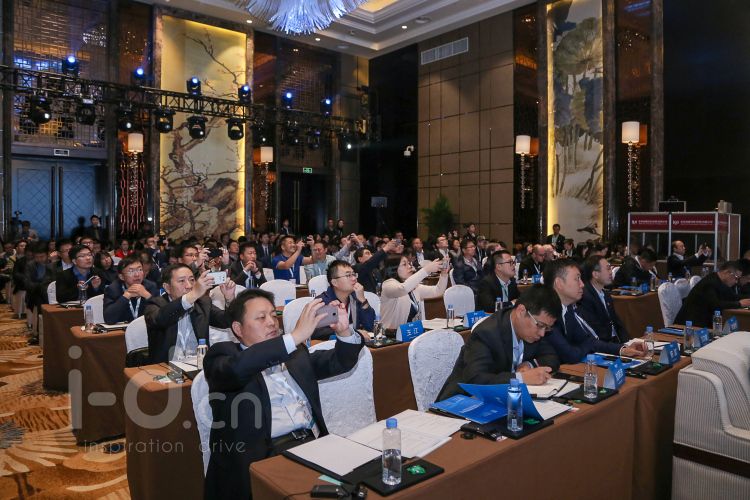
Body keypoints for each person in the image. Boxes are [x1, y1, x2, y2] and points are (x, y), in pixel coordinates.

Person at [202, 290, 362, 500]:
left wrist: (344, 331)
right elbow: (237, 369)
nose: (271, 323)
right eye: (261, 318)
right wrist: (294, 337)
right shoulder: (222, 356)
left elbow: (339, 362)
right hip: (263, 456)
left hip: (312, 444)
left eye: (273, 315)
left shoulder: (294, 352)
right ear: (238, 329)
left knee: (364, 482)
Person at [438, 285, 562, 400]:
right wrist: (521, 378)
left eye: (547, 328)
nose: (542, 333)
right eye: (540, 325)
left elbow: (552, 358)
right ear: (521, 311)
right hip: (462, 402)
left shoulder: (533, 331)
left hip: (501, 400)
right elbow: (476, 379)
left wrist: (529, 365)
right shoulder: (486, 333)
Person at [543, 260, 647, 364]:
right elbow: (571, 355)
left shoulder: (567, 309)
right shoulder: (546, 314)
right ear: (559, 283)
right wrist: (588, 345)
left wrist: (623, 349)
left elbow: (588, 341)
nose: (582, 284)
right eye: (577, 279)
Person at [143, 265, 235, 364]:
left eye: (192, 280)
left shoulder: (203, 303)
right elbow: (160, 319)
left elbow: (226, 321)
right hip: (166, 366)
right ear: (167, 288)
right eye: (182, 281)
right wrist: (193, 295)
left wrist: (229, 299)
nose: (189, 286)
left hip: (198, 364)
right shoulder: (155, 305)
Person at [674, 261, 750, 328]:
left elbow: (732, 296)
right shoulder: (710, 283)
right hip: (689, 326)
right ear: (727, 272)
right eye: (736, 278)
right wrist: (739, 304)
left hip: (702, 324)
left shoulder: (719, 282)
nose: (736, 282)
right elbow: (716, 305)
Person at [380, 255, 448, 329]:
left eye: (409, 263)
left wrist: (444, 274)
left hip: (411, 332)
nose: (409, 266)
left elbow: (438, 291)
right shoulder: (388, 285)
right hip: (391, 334)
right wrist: (427, 269)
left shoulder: (414, 287)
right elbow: (403, 288)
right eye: (404, 264)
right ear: (393, 269)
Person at [312, 260, 375, 340]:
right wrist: (353, 332)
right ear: (334, 282)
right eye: (348, 275)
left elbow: (370, 326)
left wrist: (363, 300)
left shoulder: (355, 297)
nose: (354, 278)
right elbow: (319, 333)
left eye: (354, 274)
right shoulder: (323, 301)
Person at [576, 255, 630, 343]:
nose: (611, 272)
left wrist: (628, 343)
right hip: (604, 344)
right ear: (595, 274)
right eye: (608, 269)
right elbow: (596, 331)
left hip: (615, 341)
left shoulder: (606, 294)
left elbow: (617, 323)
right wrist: (619, 347)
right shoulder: (585, 297)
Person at [103, 257, 158, 324]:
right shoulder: (113, 289)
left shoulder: (151, 286)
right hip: (123, 330)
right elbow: (109, 319)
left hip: (146, 329)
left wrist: (147, 296)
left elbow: (161, 316)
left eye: (140, 269)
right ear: (121, 277)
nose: (137, 275)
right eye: (131, 271)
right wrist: (125, 297)